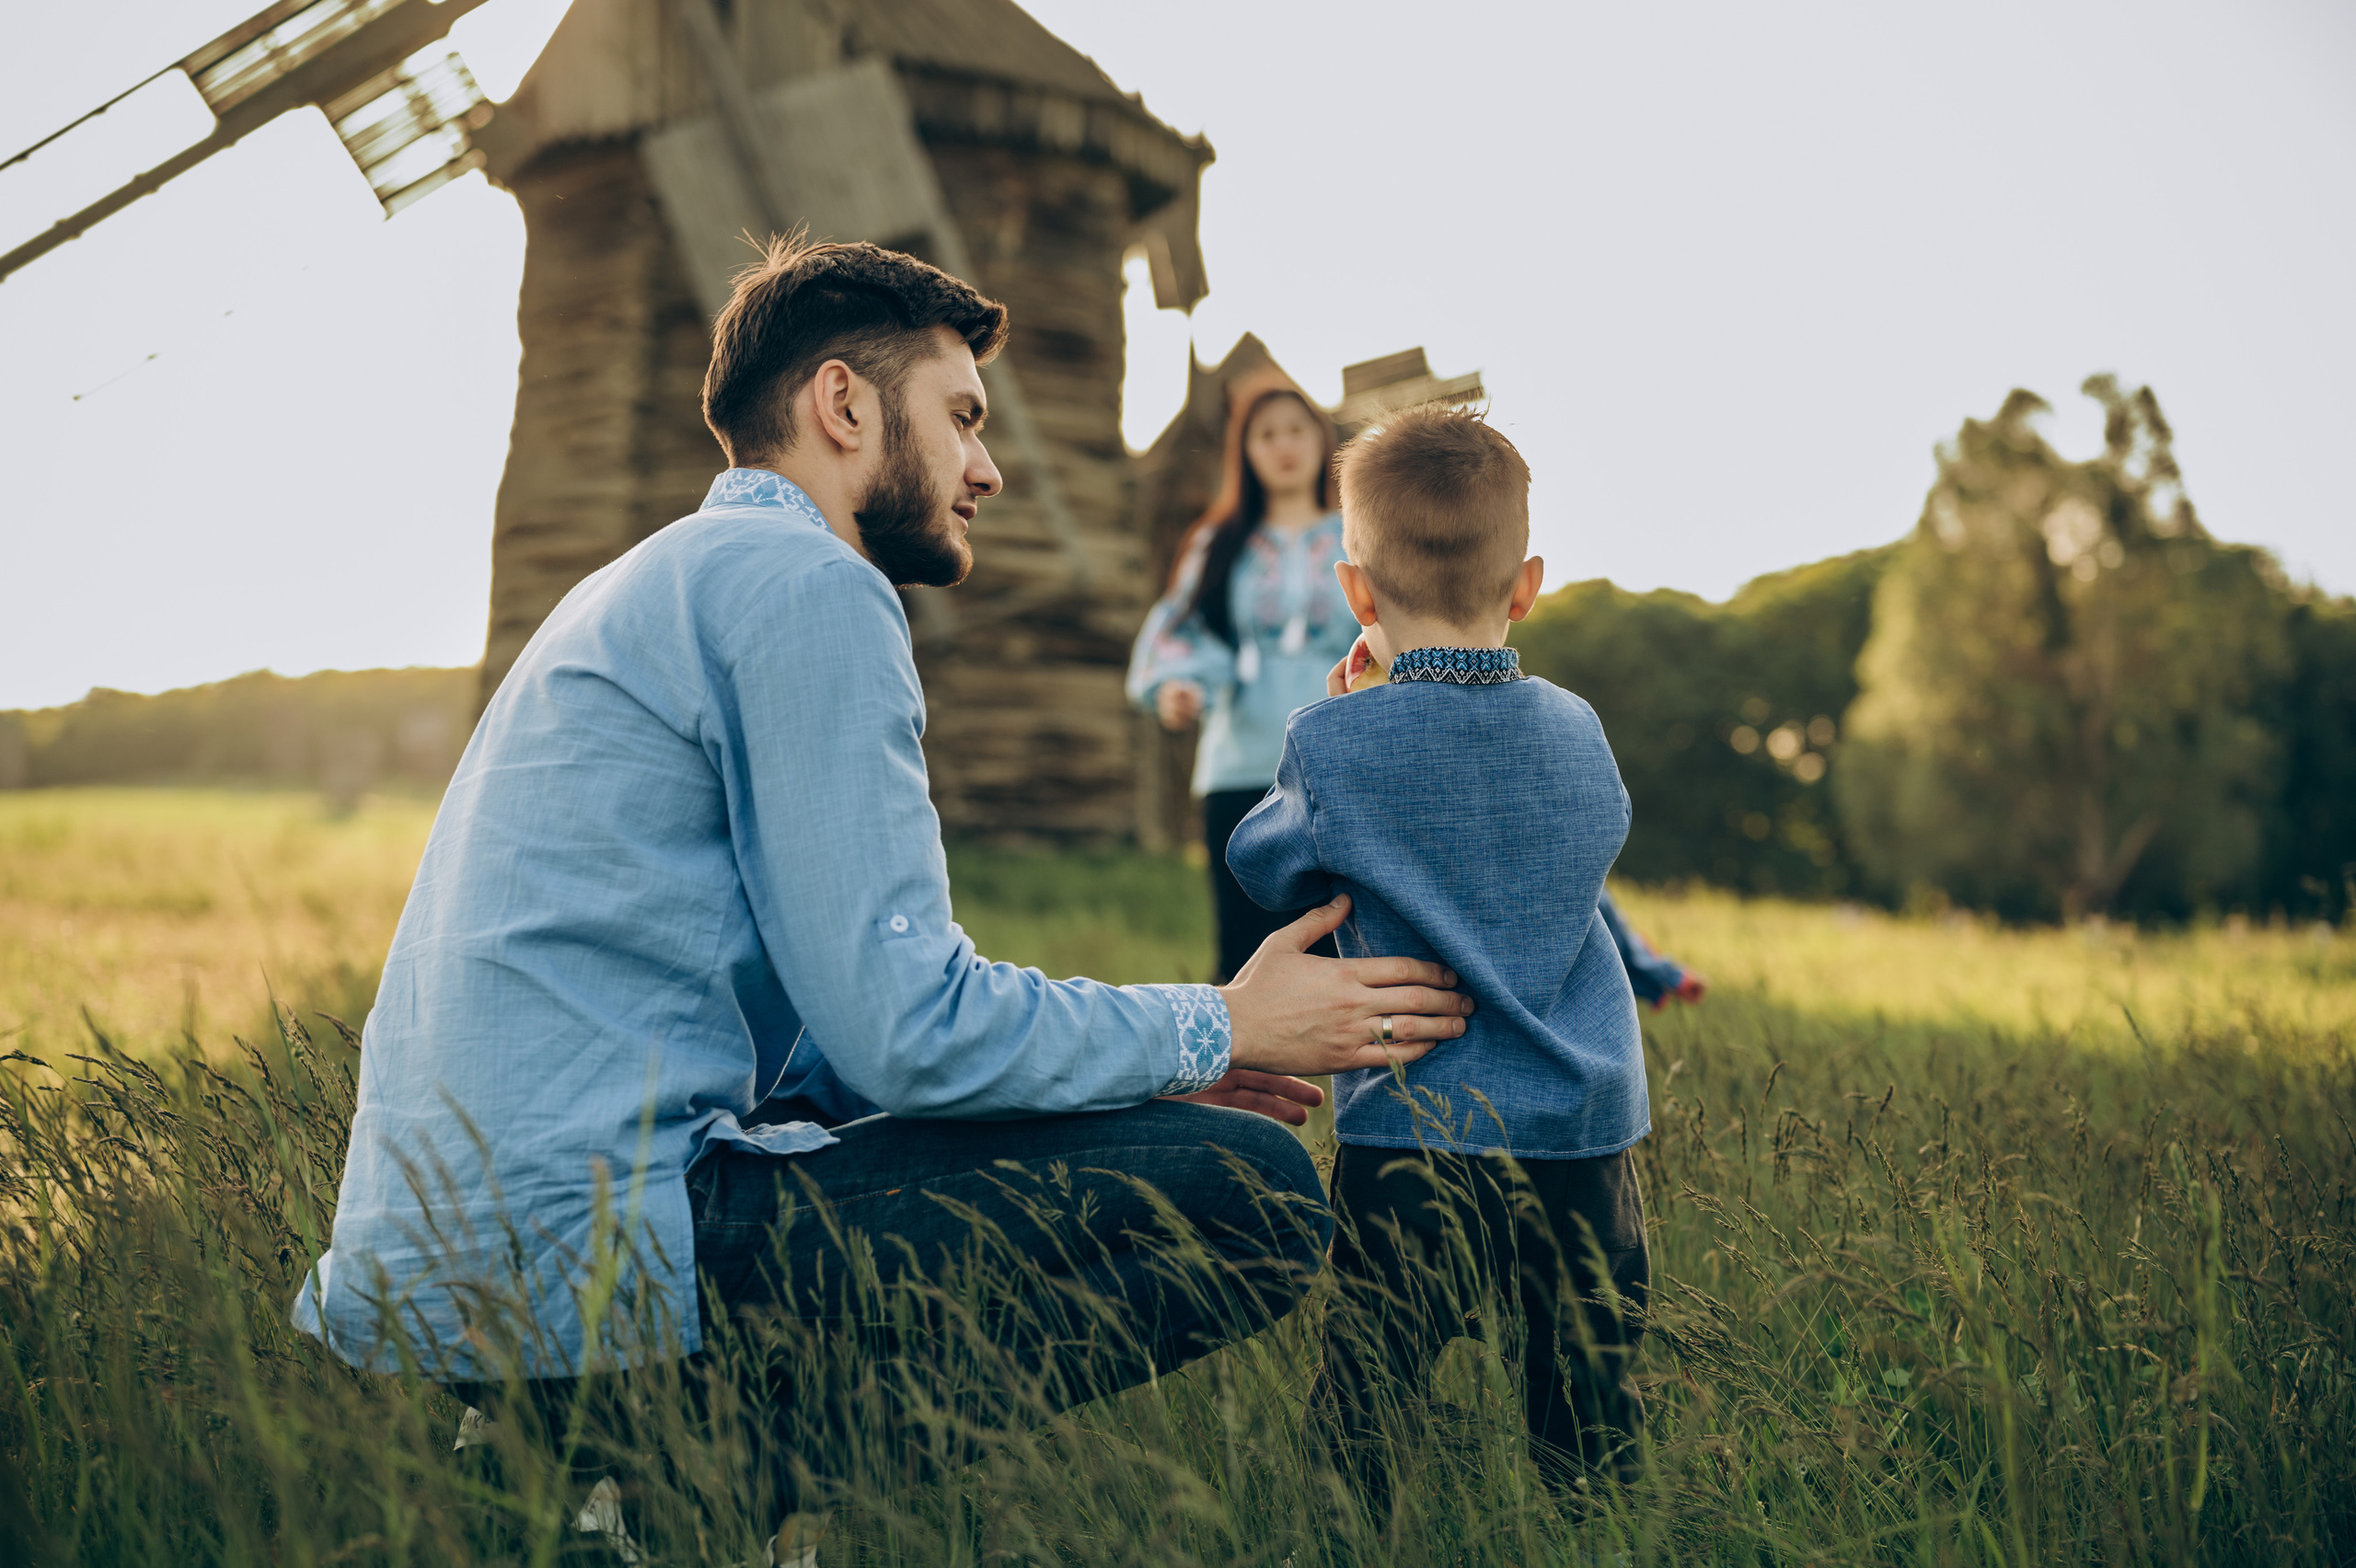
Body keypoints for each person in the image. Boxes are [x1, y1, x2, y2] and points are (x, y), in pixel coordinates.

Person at [288, 240, 1475, 1519]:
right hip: (603, 1250)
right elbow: (911, 1032)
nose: (989, 466)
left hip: (455, 1268)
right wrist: (1225, 1021)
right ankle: (670, 1502)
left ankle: (577, 1457)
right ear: (844, 405)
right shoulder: (812, 587)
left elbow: (836, 1052)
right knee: (1250, 1199)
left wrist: (1163, 1064)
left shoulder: (644, 582)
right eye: (961, 417)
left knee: (1144, 1133)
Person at [1227, 408, 1652, 1513]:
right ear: (1528, 585)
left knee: (1368, 1400)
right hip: (1578, 1135)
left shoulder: (1333, 742)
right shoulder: (1577, 726)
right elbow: (1594, 842)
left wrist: (1333, 728)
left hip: (1411, 1134)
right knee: (1589, 1411)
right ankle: (1587, 1531)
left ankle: (1347, 1536)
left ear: (1355, 593)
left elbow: (1267, 869)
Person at [1127, 375, 1358, 982]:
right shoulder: (1219, 542)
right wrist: (1177, 685)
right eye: (1266, 434)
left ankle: (1358, 1078)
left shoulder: (1356, 539)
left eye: (1296, 430)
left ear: (1321, 439)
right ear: (1246, 452)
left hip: (1337, 768)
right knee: (1244, 956)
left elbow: (1385, 634)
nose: (1283, 446)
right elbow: (1184, 630)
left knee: (1343, 947)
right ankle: (1245, 1077)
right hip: (1239, 766)